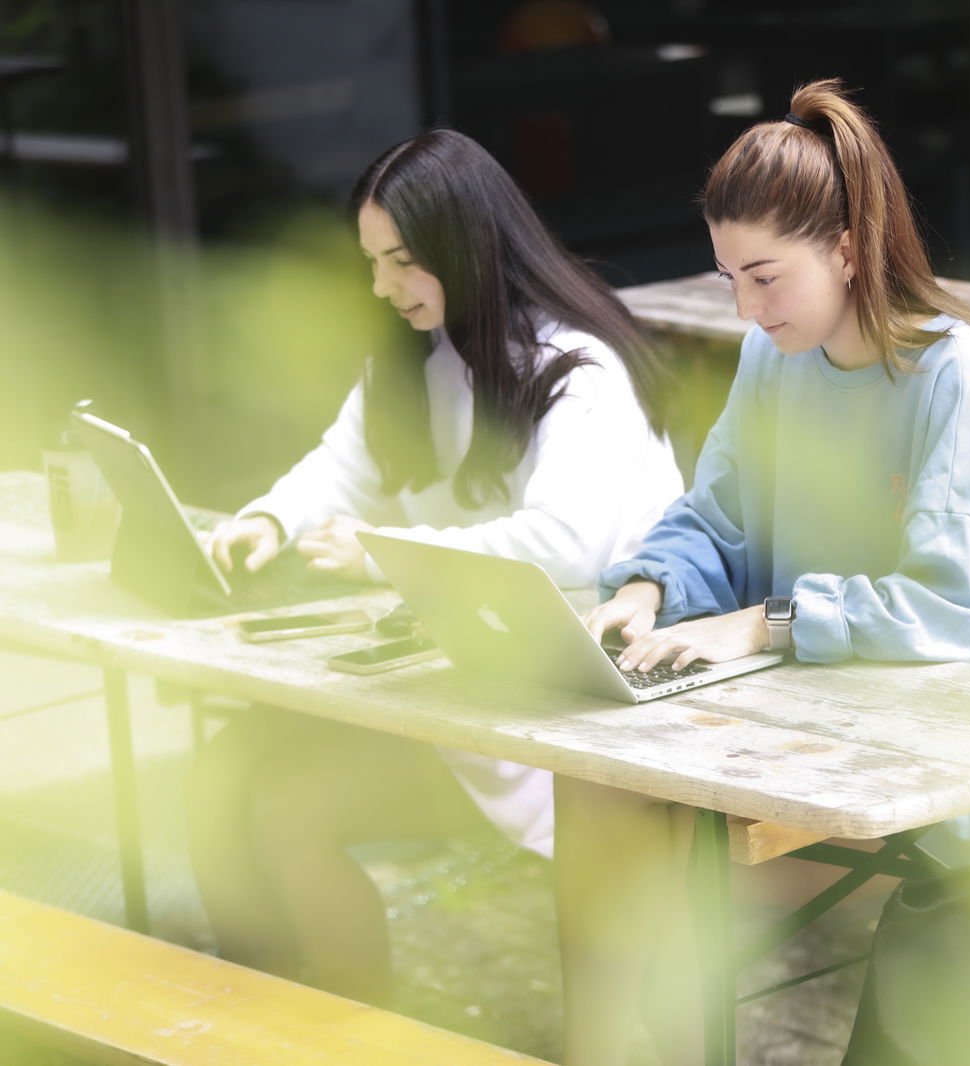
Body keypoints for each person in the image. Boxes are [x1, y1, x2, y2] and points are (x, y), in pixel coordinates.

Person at [563, 78, 970, 1066]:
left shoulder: (963, 379)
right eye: (729, 282)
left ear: (847, 247)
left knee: (661, 899)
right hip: (806, 739)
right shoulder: (776, 360)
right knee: (597, 805)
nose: (749, 311)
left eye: (765, 277)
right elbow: (717, 516)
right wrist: (646, 591)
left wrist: (763, 622)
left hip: (953, 778)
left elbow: (964, 615)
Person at [188, 128, 683, 1007]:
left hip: (572, 715)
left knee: (285, 807)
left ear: (468, 247)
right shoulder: (420, 356)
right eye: (372, 262)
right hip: (465, 688)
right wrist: (268, 517)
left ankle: (350, 1033)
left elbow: (564, 544)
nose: (383, 286)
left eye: (404, 261)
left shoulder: (578, 371)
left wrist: (385, 557)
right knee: (220, 775)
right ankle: (260, 1021)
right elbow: (343, 462)